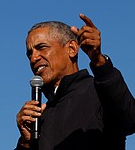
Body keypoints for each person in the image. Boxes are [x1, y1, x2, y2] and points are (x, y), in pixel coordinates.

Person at [15, 14, 135, 150]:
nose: (33, 58)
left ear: (71, 49)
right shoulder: (40, 118)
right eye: (29, 53)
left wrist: (99, 62)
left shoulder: (101, 90)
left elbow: (129, 120)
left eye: (42, 47)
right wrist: (25, 143)